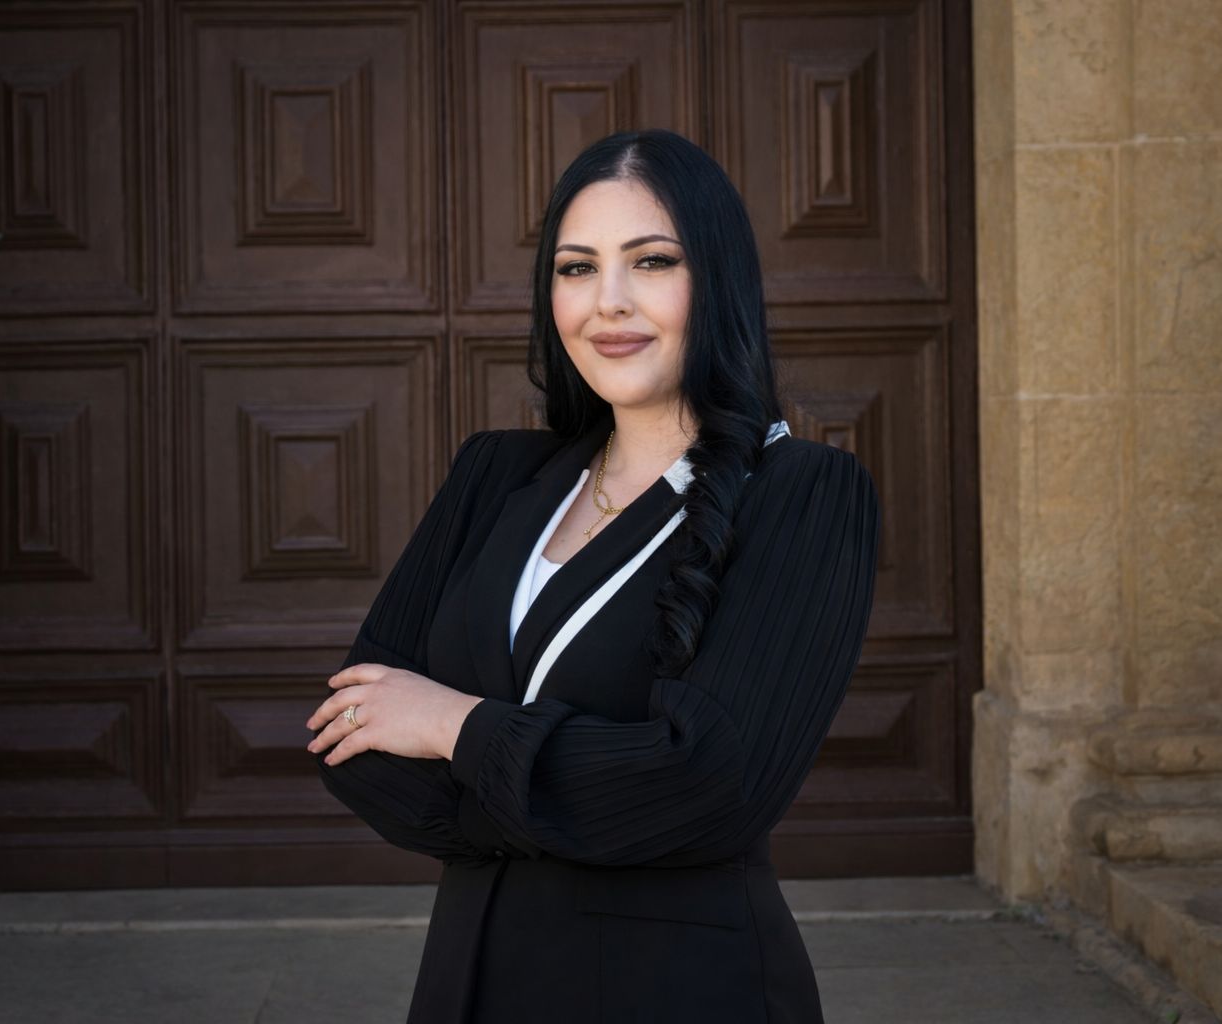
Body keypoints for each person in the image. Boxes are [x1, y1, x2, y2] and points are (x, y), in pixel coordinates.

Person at [304, 128, 880, 1023]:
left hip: (678, 990)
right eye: (577, 268)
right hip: (469, 984)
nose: (608, 301)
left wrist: (453, 727)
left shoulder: (802, 493)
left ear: (718, 280)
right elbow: (356, 744)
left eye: (651, 261)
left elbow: (712, 787)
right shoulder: (493, 475)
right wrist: (592, 794)